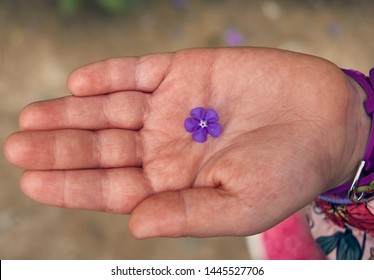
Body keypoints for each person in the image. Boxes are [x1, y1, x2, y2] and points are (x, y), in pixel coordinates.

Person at [3, 47, 374, 259]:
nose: (201, 127)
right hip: (342, 201)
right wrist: (355, 129)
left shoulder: (206, 126)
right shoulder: (205, 125)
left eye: (202, 126)